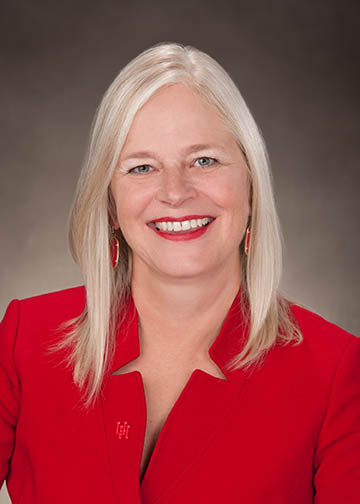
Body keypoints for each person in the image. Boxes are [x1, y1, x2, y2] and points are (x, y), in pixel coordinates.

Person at [0, 42, 359, 504]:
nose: (175, 192)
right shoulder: (25, 341)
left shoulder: (334, 373)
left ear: (250, 185)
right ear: (109, 202)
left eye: (204, 160)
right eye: (142, 167)